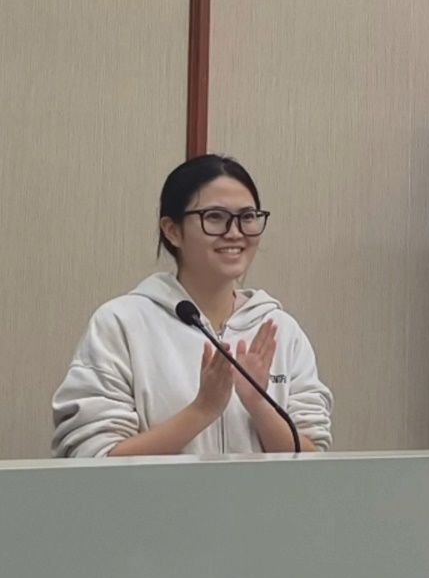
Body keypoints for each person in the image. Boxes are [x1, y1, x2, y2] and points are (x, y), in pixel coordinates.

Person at [52, 155, 332, 457]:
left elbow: (313, 458)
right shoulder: (121, 324)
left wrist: (260, 405)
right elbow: (93, 457)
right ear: (172, 230)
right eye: (215, 217)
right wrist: (202, 410)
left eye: (247, 216)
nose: (235, 232)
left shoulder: (281, 330)